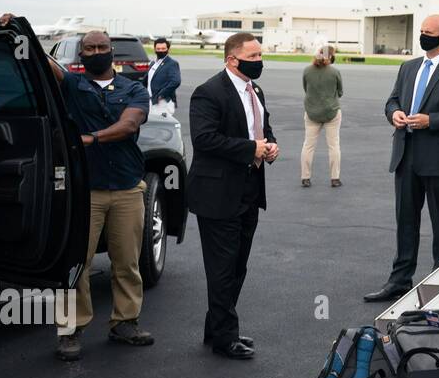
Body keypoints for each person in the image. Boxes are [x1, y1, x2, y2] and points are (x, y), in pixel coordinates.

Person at [0, 15, 155, 361]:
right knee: (76, 264)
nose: (96, 52)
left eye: (101, 47)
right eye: (89, 48)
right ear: (81, 54)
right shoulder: (73, 85)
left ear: (111, 52)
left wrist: (90, 138)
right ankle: (70, 330)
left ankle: (125, 322)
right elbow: (42, 62)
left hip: (128, 188)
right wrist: (17, 28)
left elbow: (129, 126)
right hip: (87, 192)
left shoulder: (133, 89)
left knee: (126, 261)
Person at [365, 15, 439, 302]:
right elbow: (392, 100)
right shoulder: (408, 67)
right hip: (406, 155)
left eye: (428, 33)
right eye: (421, 32)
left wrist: (432, 120)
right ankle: (400, 280)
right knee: (405, 220)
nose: (423, 36)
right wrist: (394, 114)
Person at [186, 32, 278, 360]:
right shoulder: (209, 93)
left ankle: (217, 328)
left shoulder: (256, 90)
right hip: (217, 194)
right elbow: (205, 139)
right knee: (222, 268)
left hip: (249, 191)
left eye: (260, 56)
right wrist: (250, 148)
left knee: (238, 266)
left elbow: (262, 128)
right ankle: (226, 338)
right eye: (252, 58)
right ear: (231, 60)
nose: (259, 62)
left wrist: (270, 145)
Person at [300, 44, 343, 188]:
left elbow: (306, 89)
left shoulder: (307, 71)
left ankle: (305, 177)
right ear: (331, 56)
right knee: (334, 145)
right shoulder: (335, 72)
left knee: (308, 145)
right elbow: (340, 92)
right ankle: (335, 178)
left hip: (312, 112)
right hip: (331, 111)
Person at [146, 36, 181, 115]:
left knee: (162, 126)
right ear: (154, 49)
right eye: (158, 49)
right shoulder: (153, 63)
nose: (160, 51)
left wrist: (161, 95)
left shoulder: (172, 63)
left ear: (168, 49)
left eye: (163, 49)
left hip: (162, 103)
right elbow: (147, 81)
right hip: (151, 101)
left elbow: (176, 81)